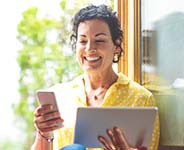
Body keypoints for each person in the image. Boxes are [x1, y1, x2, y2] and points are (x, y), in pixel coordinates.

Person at [31, 4, 160, 150]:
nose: (90, 49)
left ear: (116, 45)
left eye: (99, 40)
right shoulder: (59, 96)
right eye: (83, 41)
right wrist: (43, 133)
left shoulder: (141, 99)